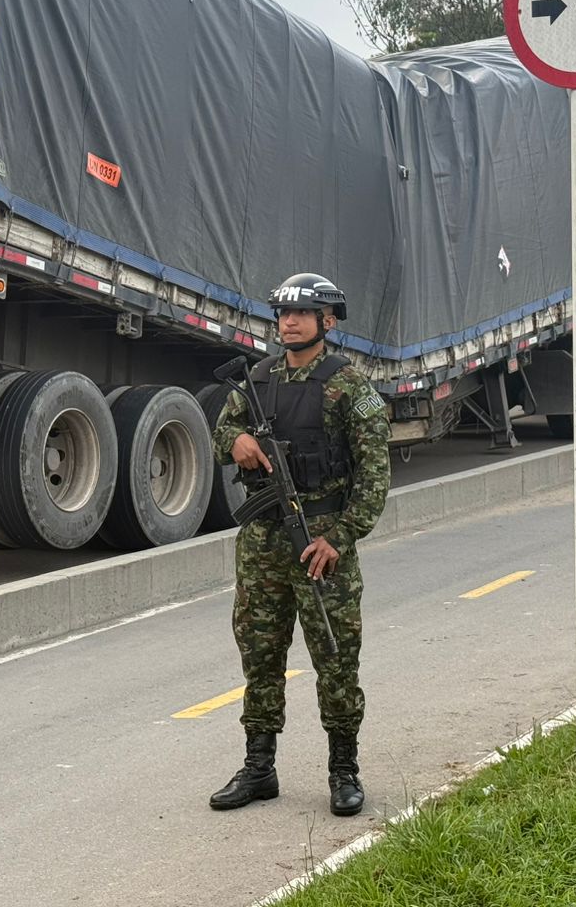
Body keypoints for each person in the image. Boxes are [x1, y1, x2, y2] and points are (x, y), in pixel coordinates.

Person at [208, 272, 391, 817]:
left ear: (326, 322)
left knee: (335, 658)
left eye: (302, 313)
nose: (288, 322)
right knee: (260, 656)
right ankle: (259, 769)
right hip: (263, 543)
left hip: (320, 546)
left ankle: (343, 771)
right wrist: (236, 440)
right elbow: (220, 432)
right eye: (283, 313)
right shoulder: (257, 380)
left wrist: (338, 539)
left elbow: (374, 480)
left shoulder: (350, 388)